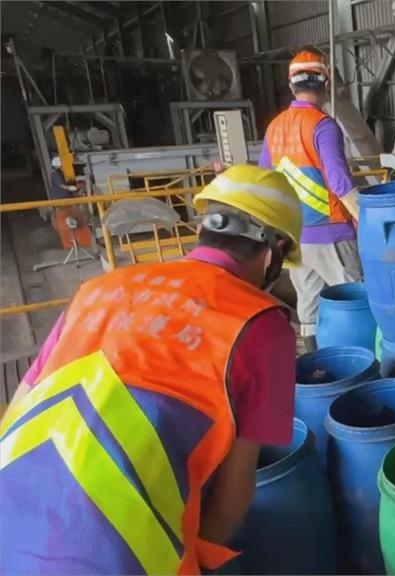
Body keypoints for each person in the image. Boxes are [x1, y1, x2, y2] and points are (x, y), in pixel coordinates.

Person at [0, 165, 302, 574]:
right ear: (273, 252)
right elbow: (232, 502)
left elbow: (19, 407)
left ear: (204, 229)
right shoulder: (263, 326)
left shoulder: (97, 290)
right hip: (112, 558)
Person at [260, 48, 361, 349]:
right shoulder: (322, 125)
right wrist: (368, 219)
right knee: (355, 300)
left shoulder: (274, 128)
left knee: (309, 306)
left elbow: (267, 180)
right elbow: (340, 182)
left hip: (295, 236)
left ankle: (318, 368)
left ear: (291, 86)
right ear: (326, 84)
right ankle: (361, 366)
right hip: (332, 234)